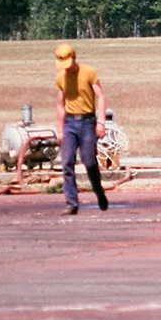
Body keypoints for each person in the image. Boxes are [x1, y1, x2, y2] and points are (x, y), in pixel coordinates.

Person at [54, 43, 109, 215]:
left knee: (89, 162)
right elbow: (60, 104)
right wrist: (61, 130)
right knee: (67, 162)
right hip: (70, 122)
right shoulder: (61, 78)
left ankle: (99, 191)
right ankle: (71, 203)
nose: (67, 68)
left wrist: (101, 121)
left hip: (87, 122)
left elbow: (100, 96)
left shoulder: (88, 72)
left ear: (74, 58)